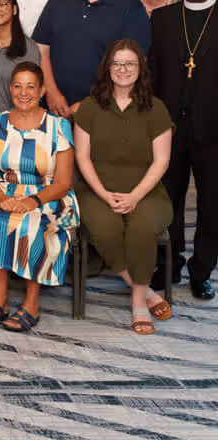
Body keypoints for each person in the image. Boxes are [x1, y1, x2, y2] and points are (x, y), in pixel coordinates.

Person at [74, 40, 175, 330]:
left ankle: (138, 303)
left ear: (140, 68)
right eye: (117, 63)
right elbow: (82, 157)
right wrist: (104, 194)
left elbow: (161, 161)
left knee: (142, 227)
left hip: (147, 190)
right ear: (107, 67)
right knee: (107, 229)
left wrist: (135, 196)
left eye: (130, 63)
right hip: (97, 189)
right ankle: (145, 290)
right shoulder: (90, 107)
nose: (123, 69)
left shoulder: (156, 108)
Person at [0, 62, 79, 332]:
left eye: (31, 86)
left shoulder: (59, 127)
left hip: (48, 195)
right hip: (5, 192)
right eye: (17, 86)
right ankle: (1, 301)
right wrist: (1, 198)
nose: (24, 92)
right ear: (10, 89)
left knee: (33, 225)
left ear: (42, 90)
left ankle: (31, 302)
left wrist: (32, 202)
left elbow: (64, 182)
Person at [150, 0, 217, 299]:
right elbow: (153, 74)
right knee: (168, 201)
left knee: (211, 204)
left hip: (213, 131)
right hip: (170, 128)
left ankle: (202, 270)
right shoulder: (162, 19)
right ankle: (169, 264)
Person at [34, 0, 151, 118]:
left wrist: (88, 105)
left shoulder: (132, 8)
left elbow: (134, 66)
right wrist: (51, 92)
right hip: (52, 110)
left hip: (105, 113)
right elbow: (41, 49)